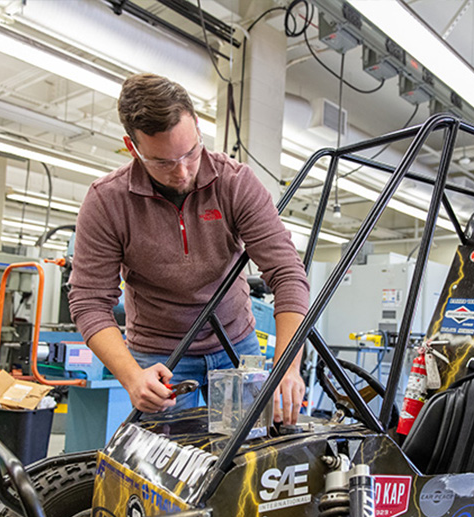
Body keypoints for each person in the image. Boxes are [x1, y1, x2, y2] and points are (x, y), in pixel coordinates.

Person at [69, 73, 310, 424]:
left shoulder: (235, 183)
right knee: (168, 469)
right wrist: (132, 376)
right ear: (131, 146)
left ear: (197, 126)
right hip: (158, 358)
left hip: (235, 345)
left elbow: (287, 273)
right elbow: (89, 301)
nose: (182, 172)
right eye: (163, 162)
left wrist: (286, 366)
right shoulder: (107, 201)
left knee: (246, 461)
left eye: (191, 152)